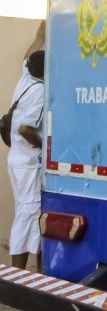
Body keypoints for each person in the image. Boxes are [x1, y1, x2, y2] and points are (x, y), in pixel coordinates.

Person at [8, 20, 45, 271]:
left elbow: (27, 55)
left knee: (26, 212)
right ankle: (16, 275)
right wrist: (46, 147)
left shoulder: (26, 78)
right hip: (28, 164)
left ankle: (32, 274)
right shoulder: (40, 90)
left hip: (16, 160)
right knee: (28, 215)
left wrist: (40, 35)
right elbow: (25, 129)